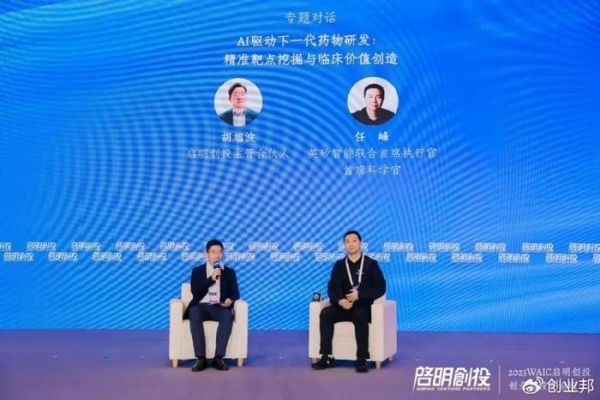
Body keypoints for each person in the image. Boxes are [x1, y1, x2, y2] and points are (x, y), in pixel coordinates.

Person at [312, 230, 386, 373]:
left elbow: (380, 287)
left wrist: (360, 295)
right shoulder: (339, 265)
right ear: (344, 245)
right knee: (326, 314)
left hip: (362, 306)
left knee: (360, 314)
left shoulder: (371, 264)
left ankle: (361, 358)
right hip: (342, 306)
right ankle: (326, 356)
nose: (351, 244)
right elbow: (332, 288)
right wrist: (339, 301)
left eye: (354, 241)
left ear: (361, 243)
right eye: (347, 241)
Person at [183, 239, 240, 371]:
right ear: (206, 254)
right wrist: (211, 278)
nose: (217, 255)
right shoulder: (197, 271)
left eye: (220, 252)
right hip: (200, 306)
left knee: (227, 315)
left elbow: (236, 293)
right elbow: (195, 291)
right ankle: (201, 358)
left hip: (218, 306)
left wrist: (230, 300)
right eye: (213, 252)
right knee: (194, 312)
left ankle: (218, 358)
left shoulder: (229, 272)